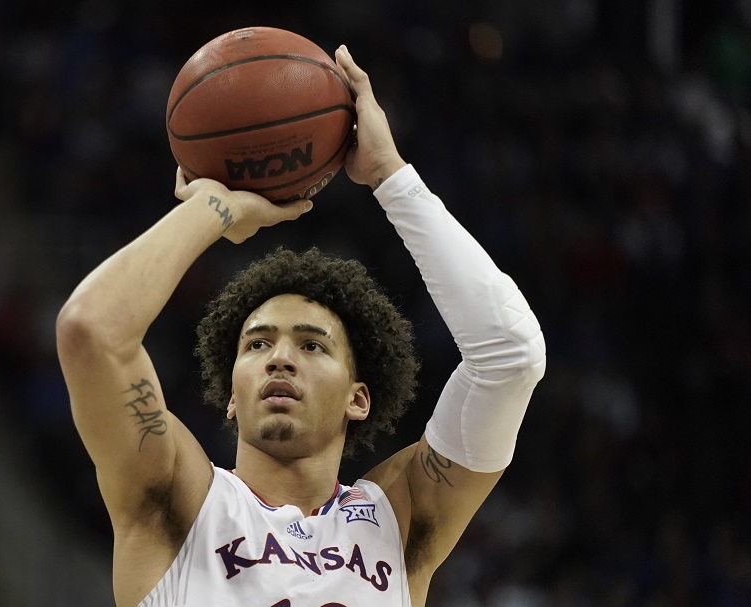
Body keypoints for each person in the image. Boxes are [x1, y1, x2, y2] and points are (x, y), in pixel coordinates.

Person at [56, 45, 546, 607]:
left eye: (312, 346)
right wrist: (214, 208)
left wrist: (391, 177)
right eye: (257, 342)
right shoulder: (178, 499)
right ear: (232, 396)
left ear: (358, 398)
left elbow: (511, 357)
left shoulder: (400, 521)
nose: (279, 358)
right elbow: (90, 330)